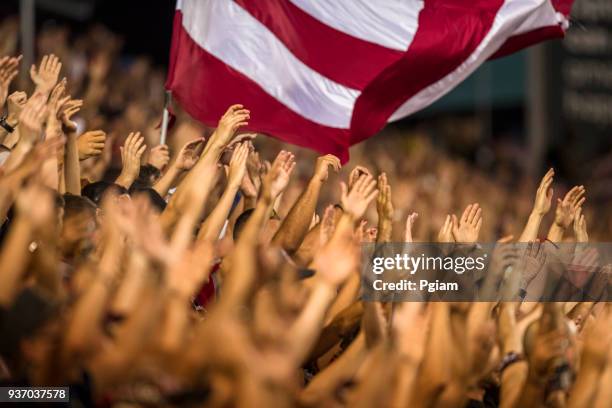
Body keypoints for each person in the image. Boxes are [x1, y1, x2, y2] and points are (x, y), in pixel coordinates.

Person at [0, 17, 611, 408]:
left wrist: (568, 262)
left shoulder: (262, 323)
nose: (314, 245)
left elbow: (389, 292)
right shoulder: (50, 385)